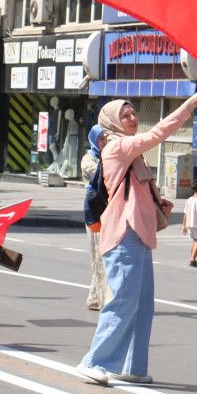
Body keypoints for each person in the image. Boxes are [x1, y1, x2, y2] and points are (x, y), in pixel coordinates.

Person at [77, 90, 197, 386]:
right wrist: (190, 104)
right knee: (124, 300)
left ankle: (132, 366)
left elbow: (134, 191)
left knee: (141, 304)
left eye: (133, 113)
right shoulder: (118, 146)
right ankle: (94, 361)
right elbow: (159, 132)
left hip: (137, 232)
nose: (132, 118)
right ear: (111, 122)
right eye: (124, 115)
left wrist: (156, 203)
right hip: (122, 232)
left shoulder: (132, 153)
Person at [81, 125, 113, 310]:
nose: (105, 142)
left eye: (106, 138)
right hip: (95, 212)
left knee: (106, 255)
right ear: (93, 140)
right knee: (98, 255)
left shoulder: (108, 157)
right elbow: (104, 177)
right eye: (101, 138)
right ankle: (102, 299)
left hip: (111, 211)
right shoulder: (89, 159)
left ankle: (95, 297)